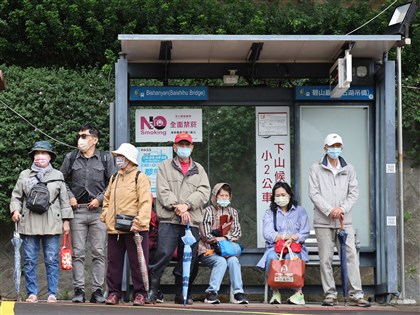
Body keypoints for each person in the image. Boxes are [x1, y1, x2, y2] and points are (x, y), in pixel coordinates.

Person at [146, 132, 211, 305]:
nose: (184, 148)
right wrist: (178, 207)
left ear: (192, 147)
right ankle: (152, 290)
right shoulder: (164, 166)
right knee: (163, 253)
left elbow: (204, 192)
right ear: (174, 147)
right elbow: (163, 191)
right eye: (180, 145)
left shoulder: (200, 169)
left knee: (189, 258)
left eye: (187, 145)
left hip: (192, 221)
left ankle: (182, 293)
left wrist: (187, 205)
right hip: (169, 219)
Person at [308, 133, 371, 307]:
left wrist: (341, 209)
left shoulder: (349, 169)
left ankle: (356, 294)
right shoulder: (316, 168)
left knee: (351, 257)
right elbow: (314, 193)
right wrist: (330, 211)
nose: (335, 149)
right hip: (323, 221)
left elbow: (354, 193)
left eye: (338, 146)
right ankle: (330, 294)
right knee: (325, 259)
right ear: (325, 148)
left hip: (345, 221)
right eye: (332, 146)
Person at [10, 140, 73, 303]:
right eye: (37, 154)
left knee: (51, 259)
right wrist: (15, 210)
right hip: (29, 222)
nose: (40, 157)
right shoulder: (24, 175)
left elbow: (64, 200)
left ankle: (52, 293)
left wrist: (66, 222)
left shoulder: (58, 175)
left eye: (43, 153)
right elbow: (17, 196)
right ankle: (32, 293)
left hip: (52, 223)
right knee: (30, 259)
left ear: (50, 157)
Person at [60, 124, 115, 303]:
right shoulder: (71, 157)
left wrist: (99, 199)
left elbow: (112, 183)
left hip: (99, 212)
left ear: (95, 140)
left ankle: (98, 291)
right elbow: (60, 180)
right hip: (77, 211)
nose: (80, 139)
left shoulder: (105, 158)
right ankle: (79, 291)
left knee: (99, 253)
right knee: (78, 253)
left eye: (84, 136)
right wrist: (69, 196)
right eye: (79, 136)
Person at [100, 143, 152, 306]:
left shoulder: (140, 177)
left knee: (138, 262)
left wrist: (139, 222)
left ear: (129, 158)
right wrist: (105, 215)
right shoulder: (114, 177)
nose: (118, 159)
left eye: (121, 156)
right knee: (113, 263)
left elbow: (145, 202)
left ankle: (141, 294)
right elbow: (107, 199)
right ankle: (114, 293)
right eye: (117, 156)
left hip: (135, 228)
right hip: (115, 227)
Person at [257, 181, 309, 305]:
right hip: (275, 248)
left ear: (289, 195)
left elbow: (305, 232)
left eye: (283, 194)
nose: (281, 197)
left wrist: (294, 238)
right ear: (274, 198)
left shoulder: (300, 211)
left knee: (292, 257)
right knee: (271, 258)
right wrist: (284, 237)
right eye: (278, 195)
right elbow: (267, 233)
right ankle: (275, 292)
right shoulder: (270, 213)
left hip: (295, 247)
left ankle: (298, 293)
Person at [198, 183, 248, 304]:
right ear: (215, 196)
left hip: (227, 250)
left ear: (230, 197)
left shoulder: (233, 212)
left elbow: (237, 232)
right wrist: (217, 240)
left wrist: (224, 238)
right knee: (220, 261)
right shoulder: (207, 211)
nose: (224, 198)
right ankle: (211, 293)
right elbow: (205, 235)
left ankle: (238, 293)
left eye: (226, 195)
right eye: (221, 195)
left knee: (233, 261)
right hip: (208, 250)